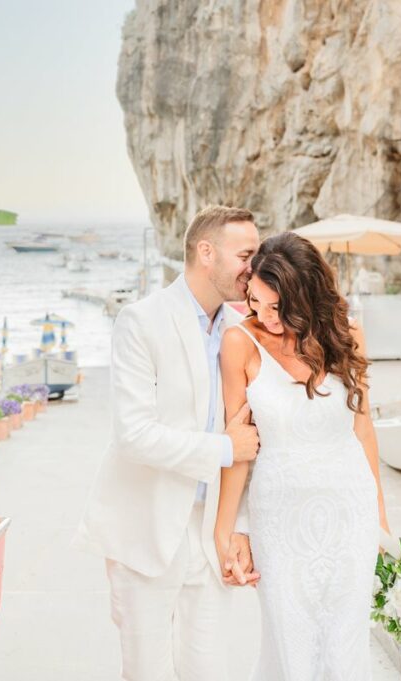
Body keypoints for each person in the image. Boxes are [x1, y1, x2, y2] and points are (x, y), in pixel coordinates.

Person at [77, 205, 262, 680]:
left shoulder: (245, 332)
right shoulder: (141, 321)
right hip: (146, 529)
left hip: (210, 533)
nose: (254, 267)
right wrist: (223, 449)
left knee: (210, 671)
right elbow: (134, 435)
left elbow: (252, 438)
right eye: (246, 254)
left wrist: (237, 525)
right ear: (206, 253)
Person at [215, 231, 391, 679]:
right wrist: (232, 529)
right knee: (289, 642)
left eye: (278, 307)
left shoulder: (348, 336)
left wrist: (381, 516)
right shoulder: (239, 343)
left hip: (350, 512)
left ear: (307, 295)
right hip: (279, 519)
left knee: (345, 642)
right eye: (255, 302)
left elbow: (363, 428)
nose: (264, 316)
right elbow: (239, 446)